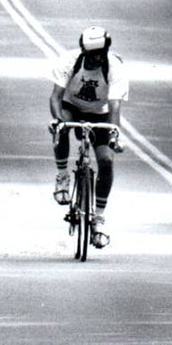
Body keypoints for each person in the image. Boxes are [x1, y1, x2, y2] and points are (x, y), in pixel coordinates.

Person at [49, 25, 128, 248]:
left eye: (100, 54)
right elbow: (55, 97)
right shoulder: (69, 61)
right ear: (83, 52)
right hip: (71, 106)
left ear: (106, 51)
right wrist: (58, 120)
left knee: (106, 160)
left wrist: (114, 134)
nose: (96, 59)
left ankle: (99, 220)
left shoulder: (115, 67)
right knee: (61, 126)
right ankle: (62, 176)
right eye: (91, 55)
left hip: (100, 113)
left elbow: (114, 106)